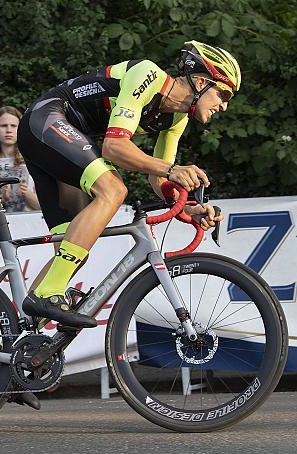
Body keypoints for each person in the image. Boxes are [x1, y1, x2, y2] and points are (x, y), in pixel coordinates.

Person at [18, 40, 234, 330]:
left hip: (62, 139)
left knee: (72, 248)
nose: (225, 104)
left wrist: (190, 209)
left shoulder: (177, 118)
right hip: (48, 119)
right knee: (114, 189)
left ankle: (18, 340)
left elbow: (158, 179)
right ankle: (47, 294)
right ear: (199, 81)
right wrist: (172, 169)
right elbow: (114, 147)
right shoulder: (148, 74)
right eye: (224, 92)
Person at [0, 106, 40, 212]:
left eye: (13, 126)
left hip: (31, 223)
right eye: (4, 126)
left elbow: (45, 206)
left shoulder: (33, 159)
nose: (9, 130)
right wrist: (1, 200)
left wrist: (26, 194)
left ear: (21, 128)